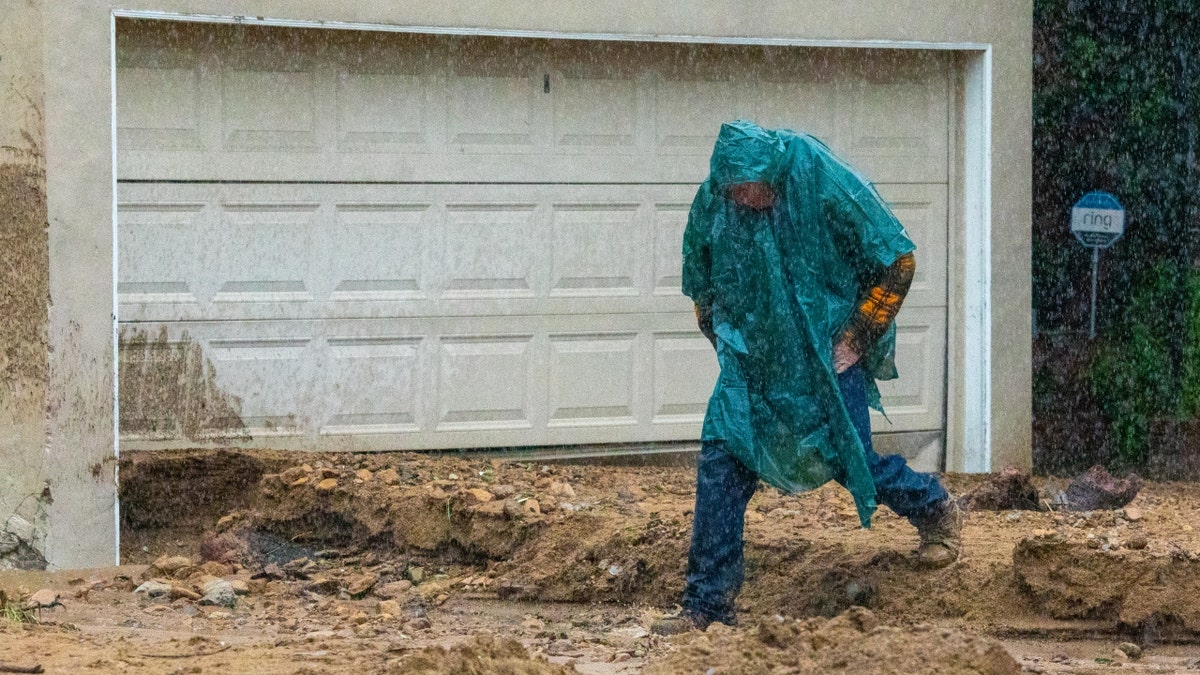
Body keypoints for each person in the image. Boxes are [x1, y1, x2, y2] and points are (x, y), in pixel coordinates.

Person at [653, 120, 961, 634]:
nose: (746, 200)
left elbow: (899, 258)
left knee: (852, 460)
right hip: (754, 361)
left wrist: (857, 336)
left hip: (824, 358)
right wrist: (726, 342)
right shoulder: (715, 198)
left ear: (772, 175)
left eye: (754, 190)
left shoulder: (817, 173)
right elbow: (700, 282)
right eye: (736, 192)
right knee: (721, 463)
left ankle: (935, 509)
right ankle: (707, 608)